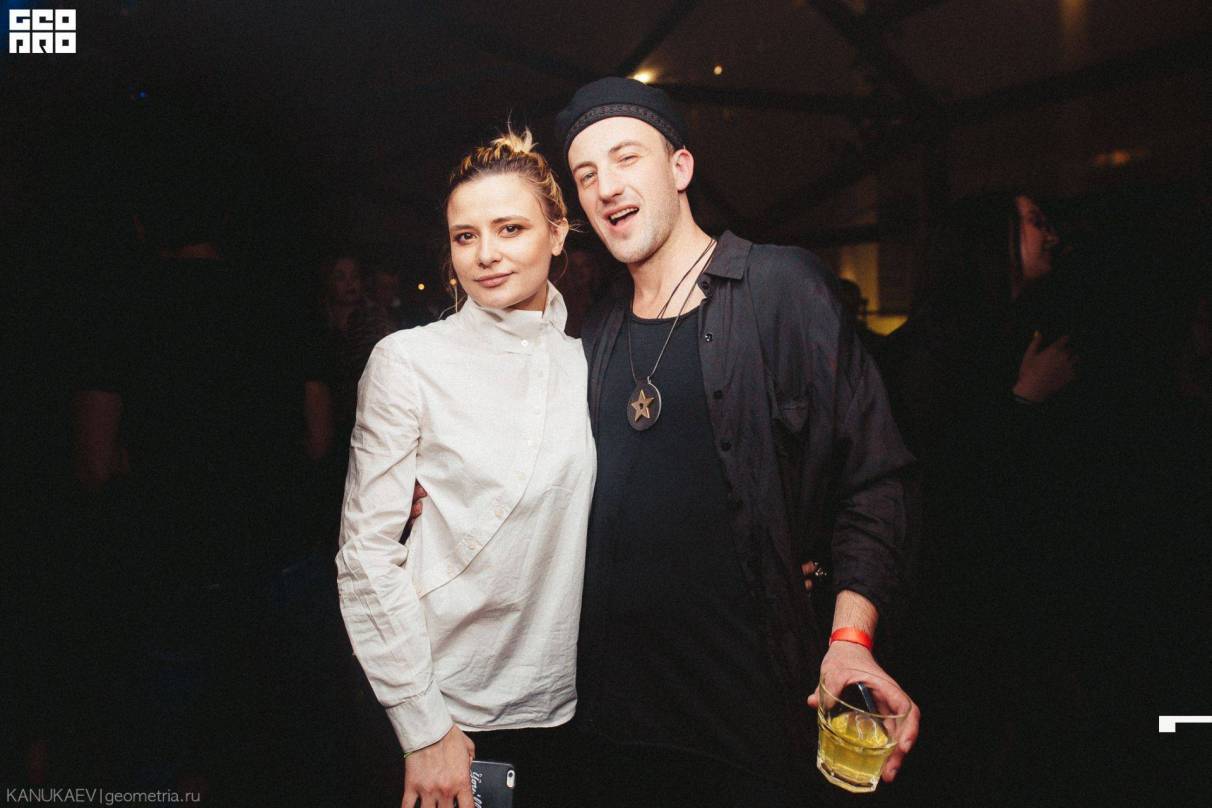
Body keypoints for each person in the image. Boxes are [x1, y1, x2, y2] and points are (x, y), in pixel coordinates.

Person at [553, 77, 919, 806]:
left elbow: (876, 478)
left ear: (680, 168)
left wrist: (850, 640)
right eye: (586, 175)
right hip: (611, 729)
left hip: (747, 730)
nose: (606, 187)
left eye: (626, 158)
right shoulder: (593, 335)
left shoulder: (779, 290)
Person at [335, 129, 593, 808]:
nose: (485, 254)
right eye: (465, 236)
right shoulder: (408, 361)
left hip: (562, 705)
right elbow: (364, 556)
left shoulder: (588, 364)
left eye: (510, 228)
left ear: (557, 233)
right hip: (440, 700)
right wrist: (424, 729)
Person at [878, 192, 1080, 805]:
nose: (1052, 236)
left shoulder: (1023, 327)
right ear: (989, 239)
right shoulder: (934, 347)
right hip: (949, 607)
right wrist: (1023, 402)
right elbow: (940, 488)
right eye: (1036, 222)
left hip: (1010, 594)